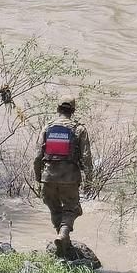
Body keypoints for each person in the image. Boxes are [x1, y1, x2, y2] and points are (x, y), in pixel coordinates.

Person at [33, 99, 93, 251]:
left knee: (55, 209)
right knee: (73, 209)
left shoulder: (47, 127)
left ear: (58, 109)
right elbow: (86, 156)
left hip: (48, 177)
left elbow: (37, 156)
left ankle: (61, 241)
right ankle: (63, 234)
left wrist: (38, 177)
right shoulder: (79, 129)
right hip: (69, 178)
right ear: (73, 111)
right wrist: (89, 180)